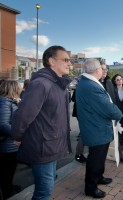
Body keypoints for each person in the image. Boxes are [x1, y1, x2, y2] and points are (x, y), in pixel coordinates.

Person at [12, 45, 73, 199]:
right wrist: (18, 136)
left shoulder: (60, 85)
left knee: (48, 184)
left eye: (69, 60)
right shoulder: (41, 84)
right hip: (42, 146)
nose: (69, 63)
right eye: (65, 59)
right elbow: (23, 115)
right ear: (52, 61)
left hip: (52, 145)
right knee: (44, 190)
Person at [76, 59, 123, 198]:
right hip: (96, 128)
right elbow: (107, 108)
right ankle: (90, 187)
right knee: (95, 159)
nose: (104, 71)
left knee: (100, 158)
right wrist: (119, 114)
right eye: (102, 69)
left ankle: (99, 177)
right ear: (97, 70)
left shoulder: (87, 83)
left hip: (97, 127)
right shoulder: (91, 86)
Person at [99, 63, 123, 163]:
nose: (119, 81)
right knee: (114, 133)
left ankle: (120, 149)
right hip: (110, 115)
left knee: (120, 132)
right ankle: (115, 153)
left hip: (122, 114)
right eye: (117, 79)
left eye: (121, 79)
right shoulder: (109, 87)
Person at [0, 80, 22, 199]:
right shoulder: (4, 103)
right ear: (12, 89)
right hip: (7, 144)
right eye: (18, 88)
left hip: (11, 143)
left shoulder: (9, 101)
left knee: (10, 168)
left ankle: (9, 186)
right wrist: (17, 135)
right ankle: (7, 191)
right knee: (7, 170)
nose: (20, 89)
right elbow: (3, 124)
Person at [71, 88, 87, 163]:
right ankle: (78, 155)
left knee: (83, 132)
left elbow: (73, 99)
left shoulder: (79, 87)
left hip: (80, 112)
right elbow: (73, 99)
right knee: (84, 133)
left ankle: (79, 154)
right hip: (83, 113)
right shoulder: (80, 88)